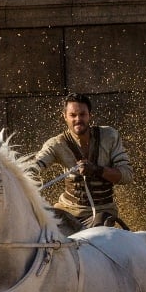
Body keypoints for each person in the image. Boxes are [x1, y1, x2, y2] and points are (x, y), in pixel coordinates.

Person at [34, 93, 133, 228]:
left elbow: (127, 175)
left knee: (96, 236)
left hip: (102, 212)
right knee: (41, 233)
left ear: (90, 115)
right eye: (73, 115)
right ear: (65, 117)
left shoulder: (109, 136)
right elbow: (36, 165)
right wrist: (23, 173)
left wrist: (97, 170)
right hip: (67, 210)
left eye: (82, 114)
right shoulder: (56, 144)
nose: (78, 119)